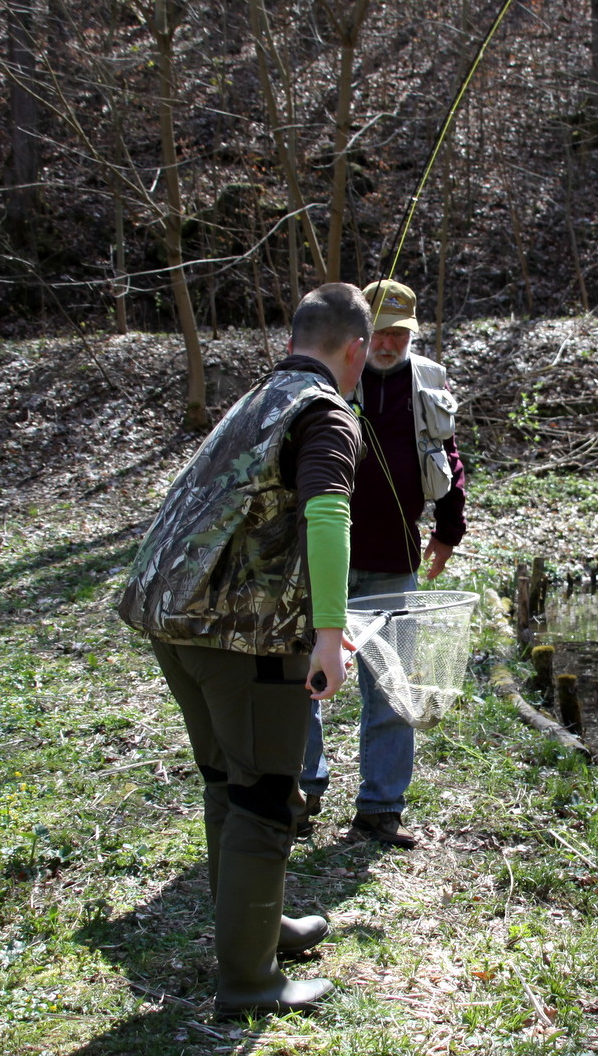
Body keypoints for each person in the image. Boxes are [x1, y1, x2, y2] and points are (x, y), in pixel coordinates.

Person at [118, 283, 372, 1016]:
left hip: (173, 621)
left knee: (229, 780)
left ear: (296, 339)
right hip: (241, 638)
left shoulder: (260, 398)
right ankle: (251, 981)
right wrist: (330, 632)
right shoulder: (325, 413)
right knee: (264, 797)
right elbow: (328, 513)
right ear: (354, 351)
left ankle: (261, 928)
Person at [301, 279, 467, 849]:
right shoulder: (328, 379)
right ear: (360, 336)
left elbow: (447, 459)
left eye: (401, 333)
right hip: (322, 560)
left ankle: (380, 810)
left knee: (393, 691)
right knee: (306, 682)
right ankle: (300, 796)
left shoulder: (429, 381)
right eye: (381, 332)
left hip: (395, 558)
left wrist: (448, 532)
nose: (389, 344)